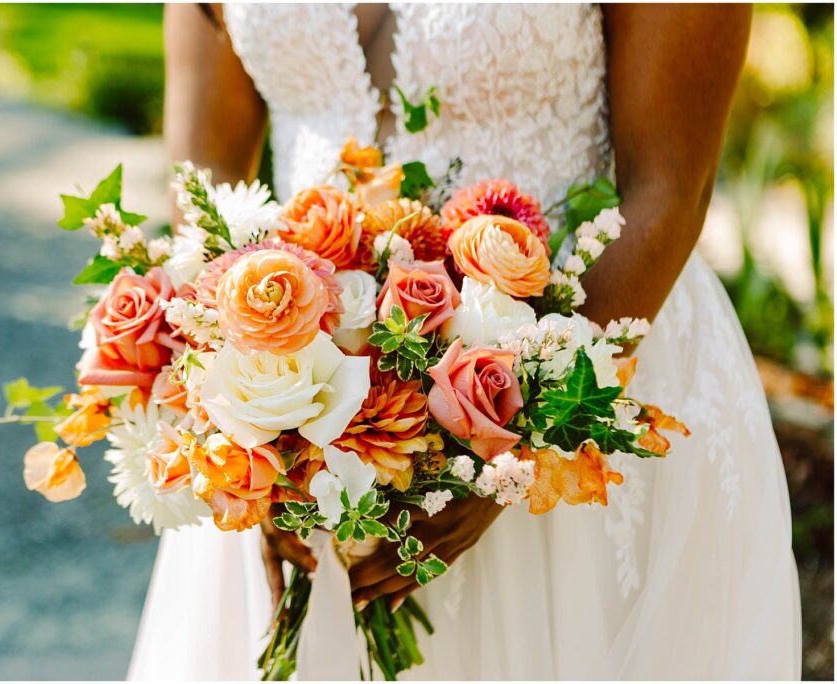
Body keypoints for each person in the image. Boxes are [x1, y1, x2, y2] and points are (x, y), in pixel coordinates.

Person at [128, 4, 801, 679]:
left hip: (576, 371)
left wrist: (516, 450)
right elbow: (206, 168)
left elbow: (670, 186)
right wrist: (255, 426)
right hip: (293, 404)